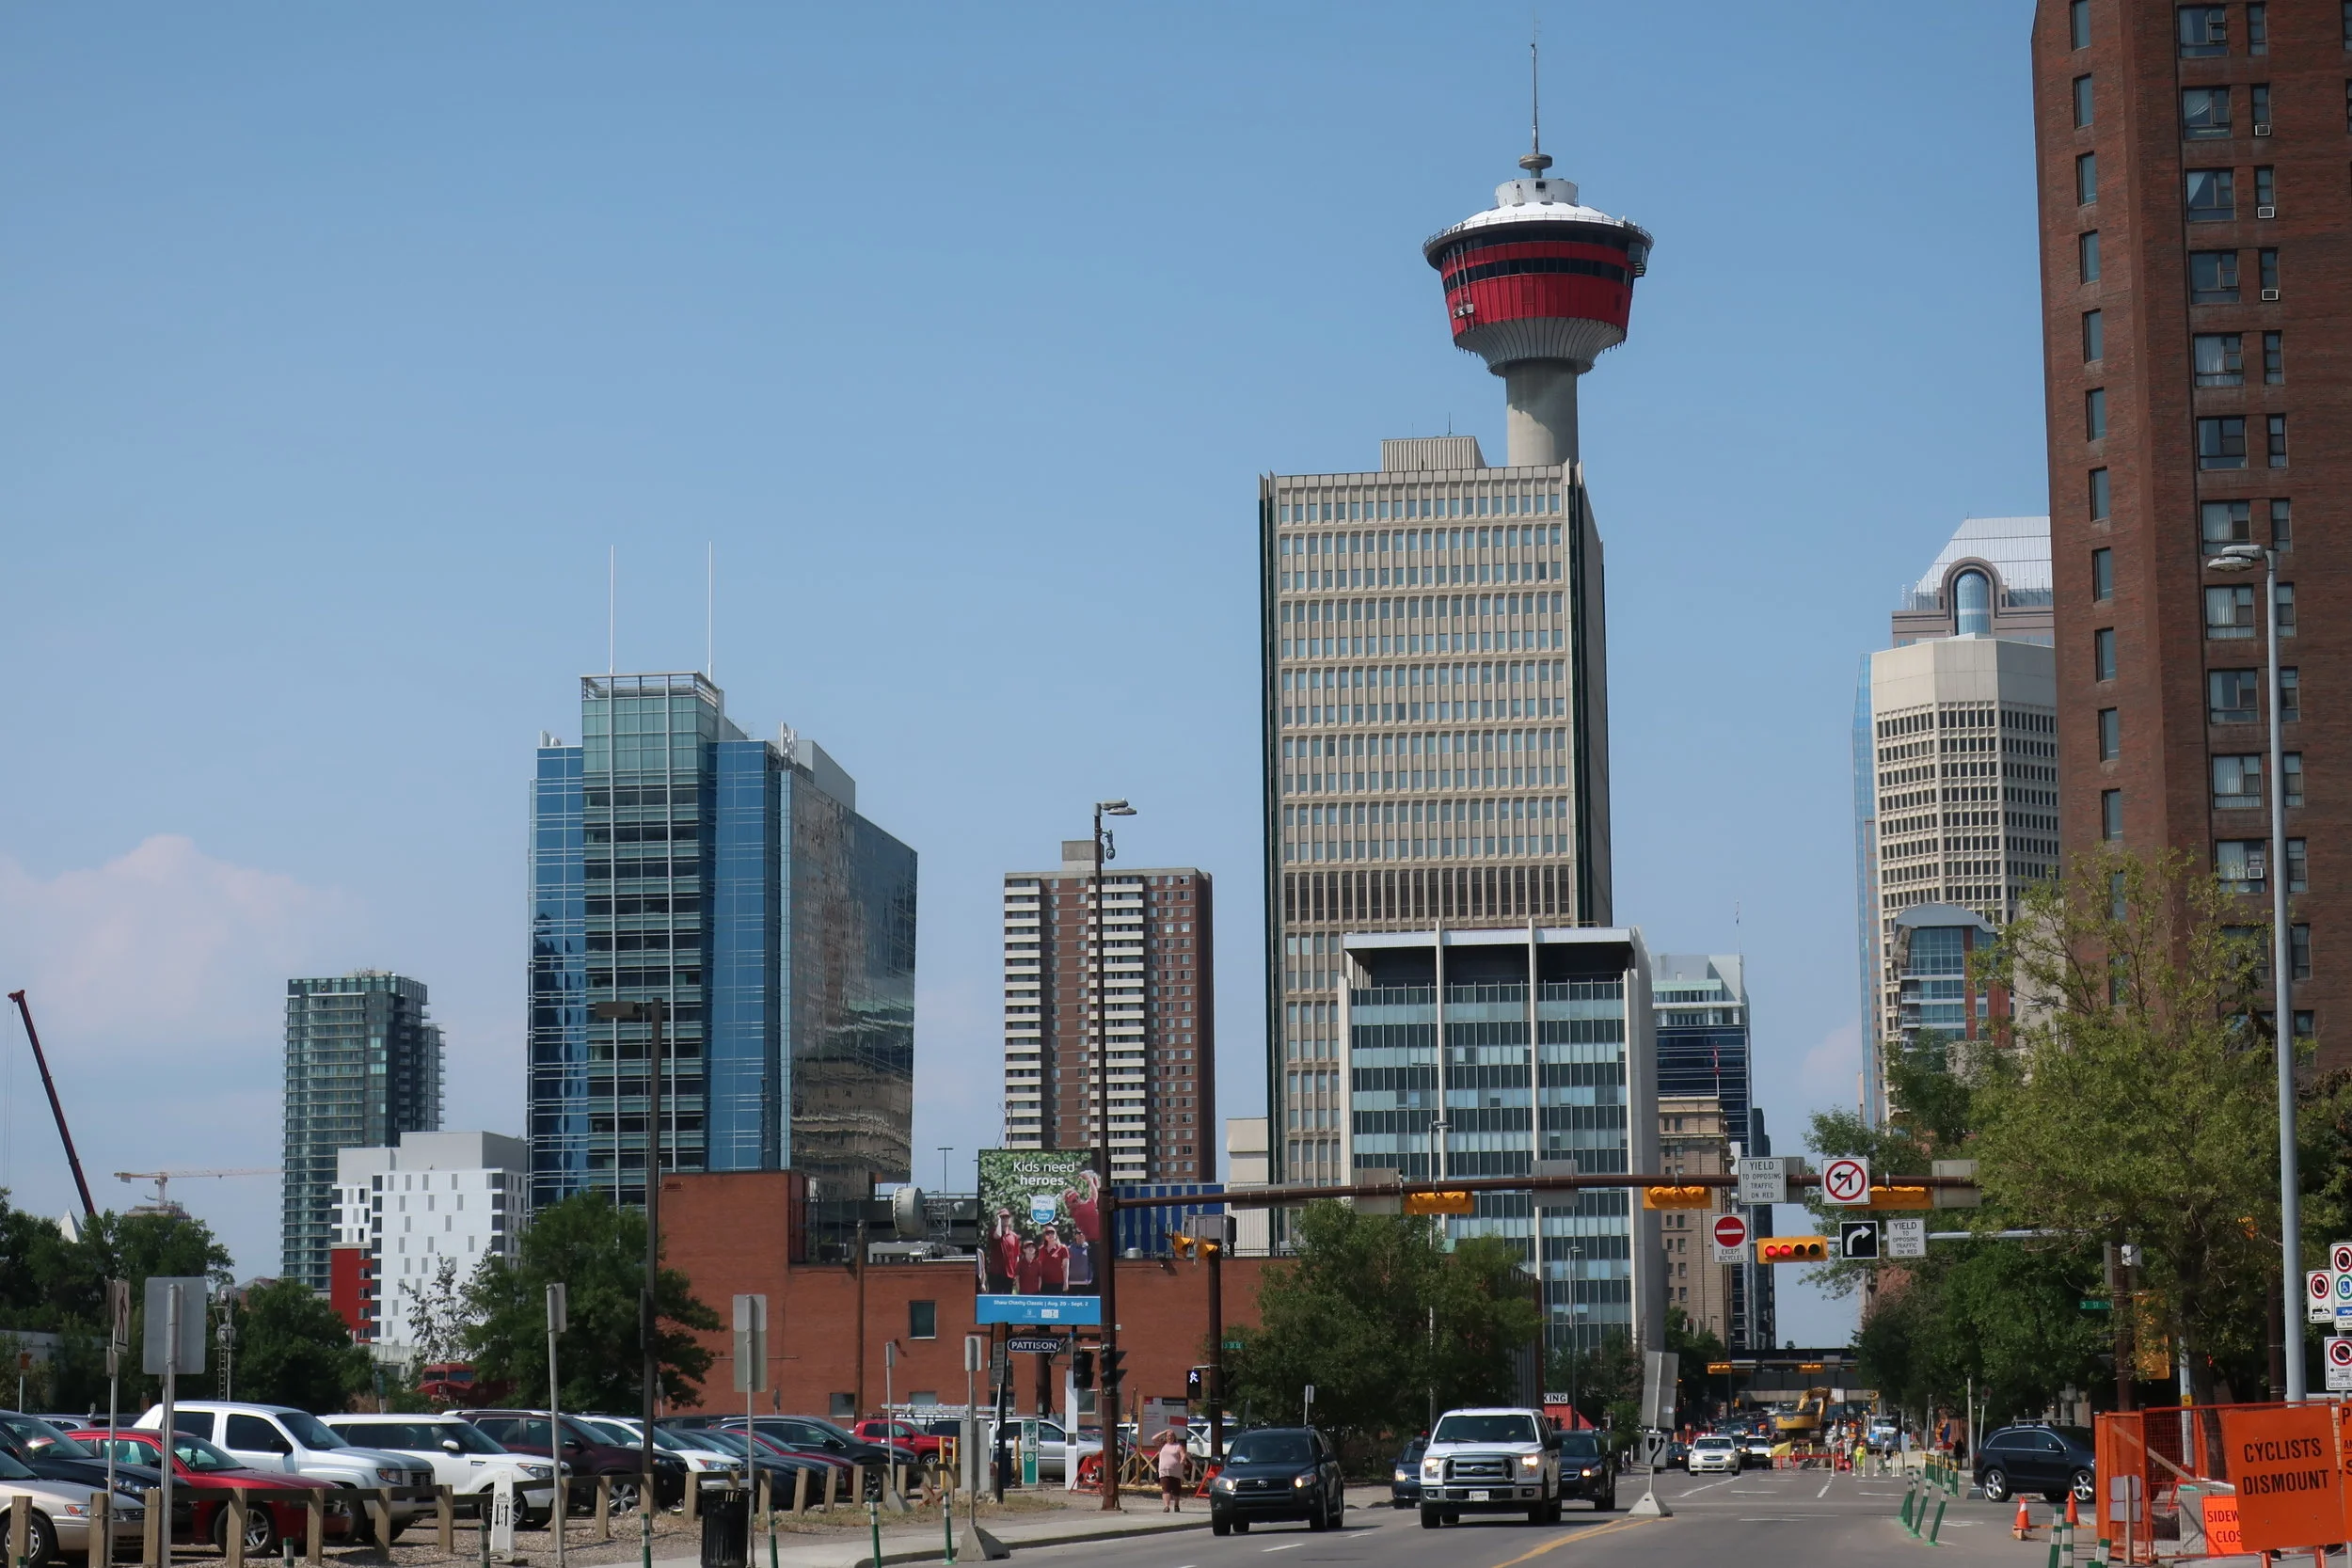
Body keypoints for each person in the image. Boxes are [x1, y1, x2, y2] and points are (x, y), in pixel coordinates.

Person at [1151, 1428, 1188, 1513]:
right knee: (1166, 1489)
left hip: (1176, 1471)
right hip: (1164, 1471)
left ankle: (1176, 1505)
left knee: (1176, 1490)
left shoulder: (1178, 1446)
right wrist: (1164, 1432)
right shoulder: (1162, 1445)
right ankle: (1166, 1506)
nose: (1170, 1437)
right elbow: (1154, 1438)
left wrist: (1182, 1459)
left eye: (1171, 1436)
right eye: (1168, 1436)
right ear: (1166, 1437)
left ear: (1174, 1437)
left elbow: (1183, 1454)